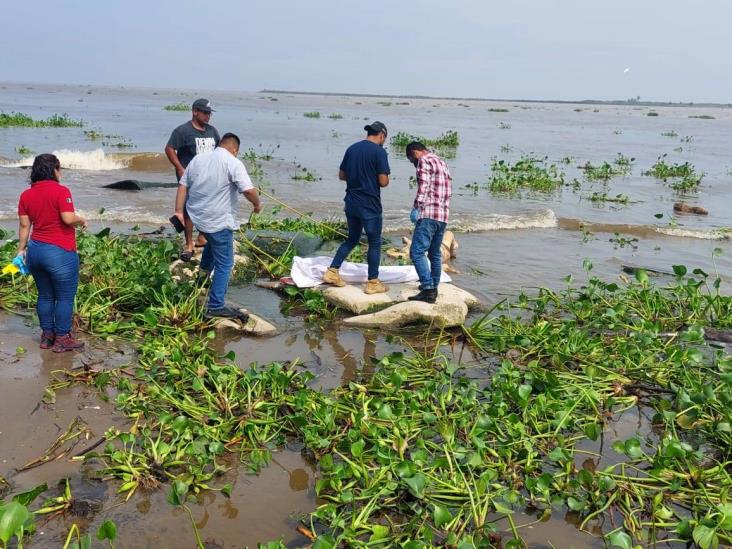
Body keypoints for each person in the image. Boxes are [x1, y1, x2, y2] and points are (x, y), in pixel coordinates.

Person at [174, 133, 261, 319]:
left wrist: (178, 211)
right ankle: (215, 306)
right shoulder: (233, 162)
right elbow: (248, 190)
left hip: (199, 218)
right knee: (225, 263)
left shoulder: (199, 159)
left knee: (212, 247)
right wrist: (257, 204)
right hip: (218, 221)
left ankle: (201, 283)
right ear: (235, 149)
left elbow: (183, 185)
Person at [17, 154, 87, 352]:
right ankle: (63, 338)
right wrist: (82, 220)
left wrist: (21, 250)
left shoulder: (26, 195)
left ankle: (47, 336)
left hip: (35, 251)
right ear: (54, 170)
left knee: (45, 296)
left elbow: (24, 225)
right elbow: (67, 218)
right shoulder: (61, 191)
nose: (61, 172)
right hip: (59, 252)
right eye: (59, 169)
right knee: (64, 297)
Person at [322, 121, 390, 294]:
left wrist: (358, 178)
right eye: (384, 138)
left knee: (352, 239)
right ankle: (373, 282)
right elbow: (383, 182)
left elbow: (342, 175)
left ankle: (332, 271)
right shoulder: (379, 152)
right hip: (370, 204)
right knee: (375, 242)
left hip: (352, 202)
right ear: (381, 135)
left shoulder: (352, 149)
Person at [165, 98, 221, 262]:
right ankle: (189, 244)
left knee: (208, 207)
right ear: (195, 111)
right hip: (189, 178)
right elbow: (169, 149)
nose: (207, 116)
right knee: (189, 210)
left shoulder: (212, 131)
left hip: (209, 178)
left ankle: (202, 237)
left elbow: (219, 152)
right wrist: (180, 168)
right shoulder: (182, 131)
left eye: (209, 113)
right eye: (204, 112)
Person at [405, 141, 452, 303]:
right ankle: (434, 285)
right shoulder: (442, 162)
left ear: (415, 153)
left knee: (416, 252)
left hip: (429, 215)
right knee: (434, 253)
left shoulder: (424, 161)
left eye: (412, 161)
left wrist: (416, 207)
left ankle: (428, 289)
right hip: (442, 216)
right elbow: (448, 191)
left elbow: (424, 186)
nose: (414, 165)